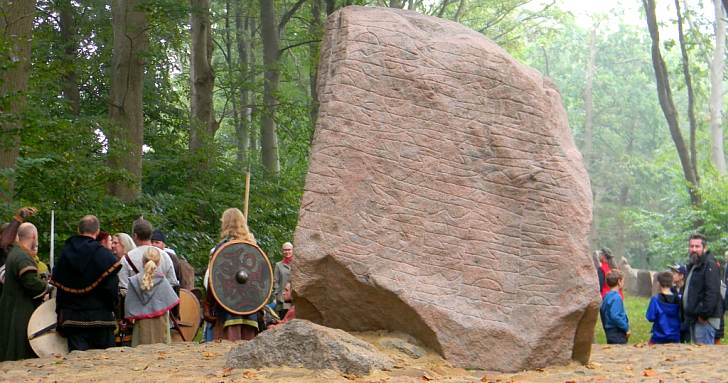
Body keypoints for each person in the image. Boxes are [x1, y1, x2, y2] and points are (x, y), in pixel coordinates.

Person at [51, 215, 120, 351]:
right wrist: (113, 308)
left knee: (78, 366)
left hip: (73, 320)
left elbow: (60, 290)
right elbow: (111, 289)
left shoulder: (65, 255)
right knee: (107, 365)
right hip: (101, 319)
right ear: (97, 231)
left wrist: (60, 313)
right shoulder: (104, 256)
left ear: (78, 230)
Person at [204, 207, 258, 341]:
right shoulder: (253, 248)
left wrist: (207, 305)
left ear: (225, 224)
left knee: (227, 351)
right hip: (250, 309)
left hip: (227, 309)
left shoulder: (221, 249)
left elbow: (212, 282)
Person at [0, 222, 49, 361]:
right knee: (19, 349)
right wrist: (46, 286)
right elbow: (32, 283)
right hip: (20, 310)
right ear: (33, 236)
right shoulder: (22, 257)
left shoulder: (15, 253)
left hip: (12, 305)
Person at [124, 247, 179, 346]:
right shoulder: (162, 281)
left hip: (141, 324)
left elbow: (128, 305)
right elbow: (173, 301)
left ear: (142, 261)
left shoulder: (134, 281)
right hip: (161, 323)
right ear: (158, 263)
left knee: (141, 350)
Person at [118, 218, 178, 293]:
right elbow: (173, 284)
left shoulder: (126, 259)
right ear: (151, 235)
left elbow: (123, 289)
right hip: (161, 303)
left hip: (135, 303)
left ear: (135, 235)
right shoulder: (165, 256)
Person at [682, 233, 722, 345]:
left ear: (705, 248)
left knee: (705, 358)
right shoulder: (695, 265)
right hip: (694, 319)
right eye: (691, 246)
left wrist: (704, 315)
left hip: (705, 321)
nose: (694, 249)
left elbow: (712, 292)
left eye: (697, 246)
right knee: (696, 357)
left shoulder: (710, 264)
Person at [0, 207, 38, 297]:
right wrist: (18, 218)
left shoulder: (18, 254)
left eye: (15, 234)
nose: (14, 237)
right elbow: (4, 243)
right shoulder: (3, 251)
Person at [646, 271, 681, 344]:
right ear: (672, 282)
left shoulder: (655, 299)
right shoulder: (678, 299)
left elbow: (650, 317)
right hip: (675, 336)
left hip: (659, 336)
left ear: (658, 283)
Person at [600, 270, 630, 344]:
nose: (623, 283)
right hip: (617, 332)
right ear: (619, 281)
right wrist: (626, 328)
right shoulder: (617, 297)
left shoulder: (606, 296)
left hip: (609, 332)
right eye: (623, 281)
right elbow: (615, 316)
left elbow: (602, 312)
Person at [273, 242, 293, 318]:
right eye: (285, 250)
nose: (287, 252)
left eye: (289, 249)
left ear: (293, 250)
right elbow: (276, 281)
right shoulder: (278, 265)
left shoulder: (297, 263)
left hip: (296, 298)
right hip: (283, 299)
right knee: (284, 319)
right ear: (282, 251)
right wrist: (277, 295)